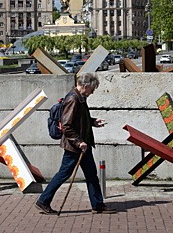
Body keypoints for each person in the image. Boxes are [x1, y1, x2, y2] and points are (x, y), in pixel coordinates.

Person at [35, 73, 116, 215]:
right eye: (92, 89)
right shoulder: (73, 99)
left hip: (83, 145)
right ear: (85, 86)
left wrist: (93, 122)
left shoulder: (80, 98)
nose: (92, 92)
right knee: (63, 174)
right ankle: (43, 201)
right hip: (75, 146)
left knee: (91, 175)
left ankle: (97, 204)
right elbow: (66, 126)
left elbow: (80, 119)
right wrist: (79, 143)